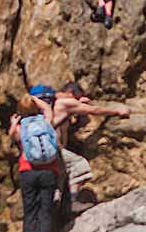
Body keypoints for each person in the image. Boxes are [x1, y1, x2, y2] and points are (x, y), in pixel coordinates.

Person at [30, 82, 131, 213]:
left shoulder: (49, 104)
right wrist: (118, 111)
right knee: (79, 166)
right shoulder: (64, 103)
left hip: (36, 152)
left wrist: (78, 102)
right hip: (54, 149)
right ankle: (72, 202)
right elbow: (94, 110)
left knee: (60, 177)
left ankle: (55, 205)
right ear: (71, 93)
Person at [9, 94, 61, 232]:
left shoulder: (20, 128)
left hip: (28, 171)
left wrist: (14, 123)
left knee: (29, 211)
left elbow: (12, 137)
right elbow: (47, 108)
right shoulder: (46, 122)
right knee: (46, 210)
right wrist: (33, 98)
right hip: (48, 171)